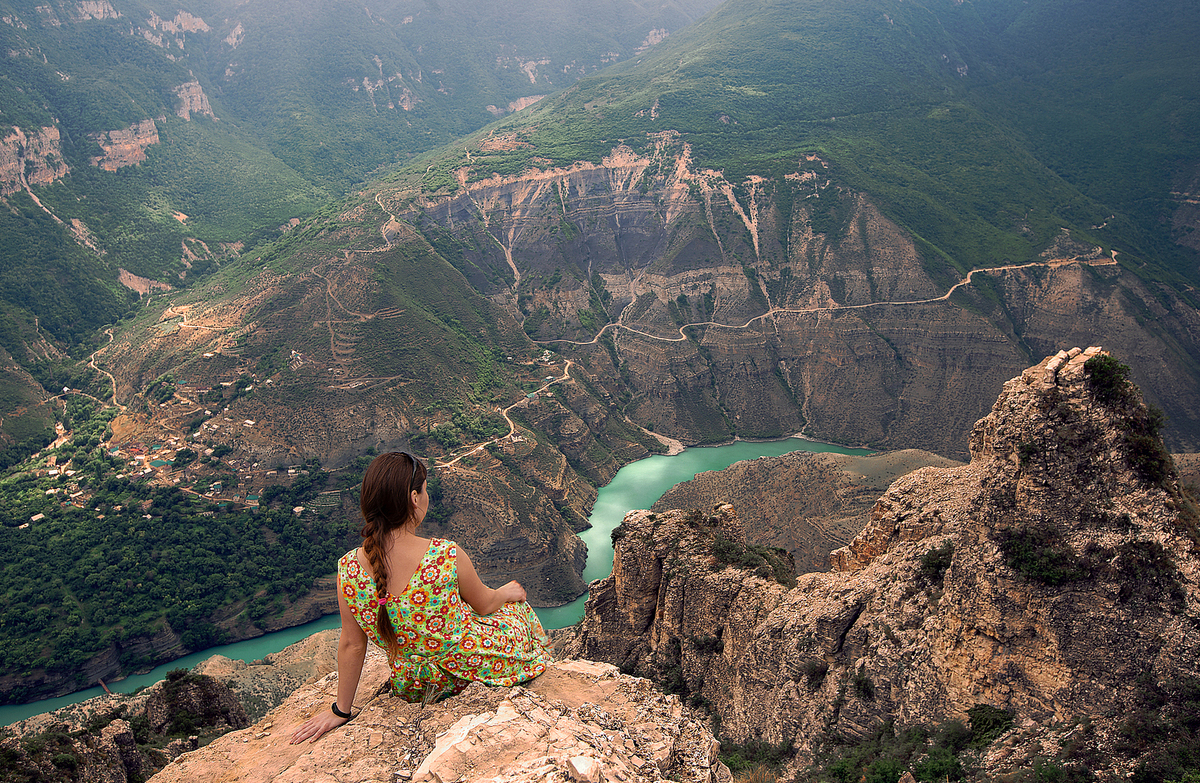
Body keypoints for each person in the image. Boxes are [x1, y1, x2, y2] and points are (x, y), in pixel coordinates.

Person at [290, 451, 551, 743]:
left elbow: (352, 644)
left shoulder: (348, 569)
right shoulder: (446, 555)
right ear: (414, 498)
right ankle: (547, 663)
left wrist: (341, 710)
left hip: (412, 684)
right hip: (466, 669)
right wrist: (506, 593)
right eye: (424, 490)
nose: (427, 497)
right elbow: (486, 604)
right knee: (516, 609)